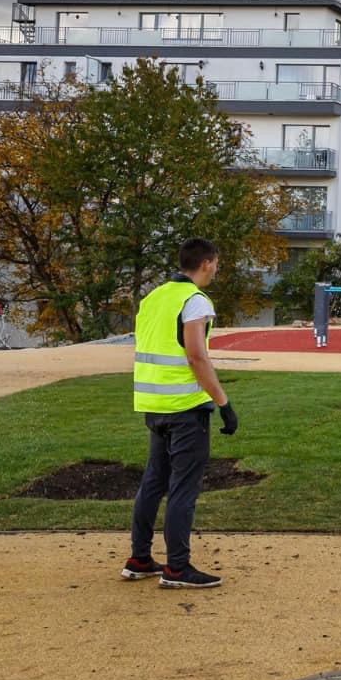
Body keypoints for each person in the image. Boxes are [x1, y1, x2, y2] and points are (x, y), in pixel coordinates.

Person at [120, 237, 239, 589]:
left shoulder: (153, 297)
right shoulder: (195, 300)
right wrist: (223, 403)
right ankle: (177, 568)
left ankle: (139, 558)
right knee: (183, 489)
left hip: (152, 405)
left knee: (153, 483)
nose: (216, 269)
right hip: (185, 408)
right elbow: (196, 355)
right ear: (206, 263)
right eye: (216, 262)